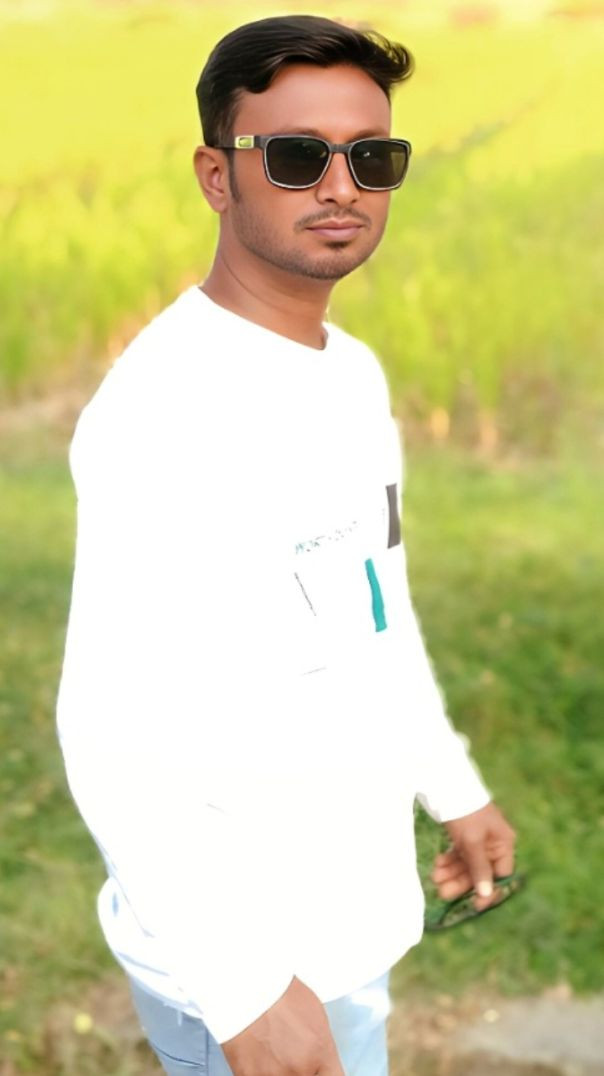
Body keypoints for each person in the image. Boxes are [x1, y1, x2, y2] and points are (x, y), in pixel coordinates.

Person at [55, 13, 516, 1076]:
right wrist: (243, 986)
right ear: (217, 176)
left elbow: (373, 607)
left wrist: (447, 781)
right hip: (251, 970)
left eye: (372, 157)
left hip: (348, 929)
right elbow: (107, 729)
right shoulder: (165, 415)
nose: (342, 187)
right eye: (299, 156)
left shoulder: (346, 373)